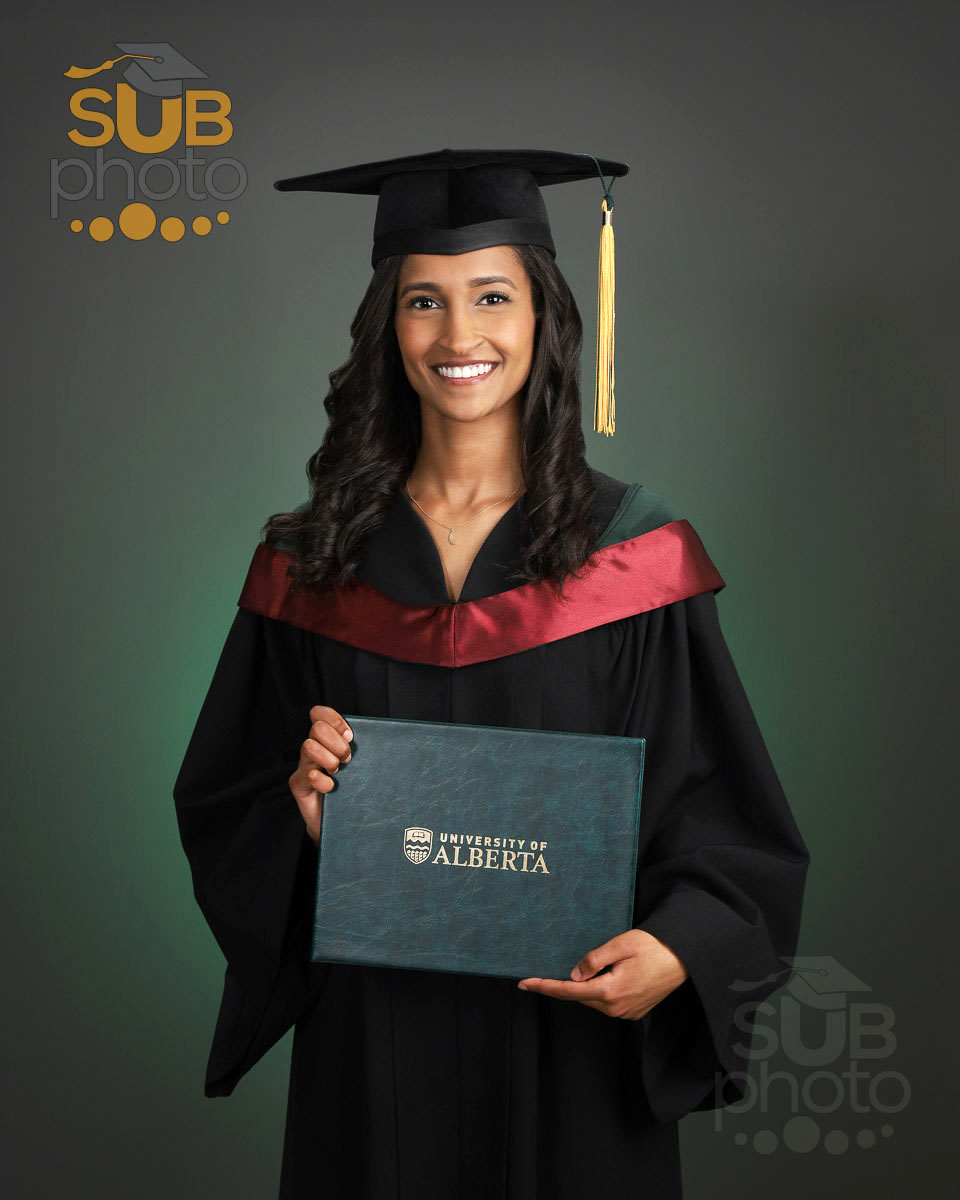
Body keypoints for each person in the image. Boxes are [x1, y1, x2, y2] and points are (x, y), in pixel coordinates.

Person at [173, 148, 810, 1199]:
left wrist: (677, 950)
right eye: (424, 300)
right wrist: (301, 814)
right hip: (372, 1059)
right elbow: (226, 802)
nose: (459, 335)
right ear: (389, 327)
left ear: (545, 318)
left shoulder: (633, 558)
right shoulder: (311, 566)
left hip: (575, 1058)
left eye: (491, 297)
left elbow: (726, 814)